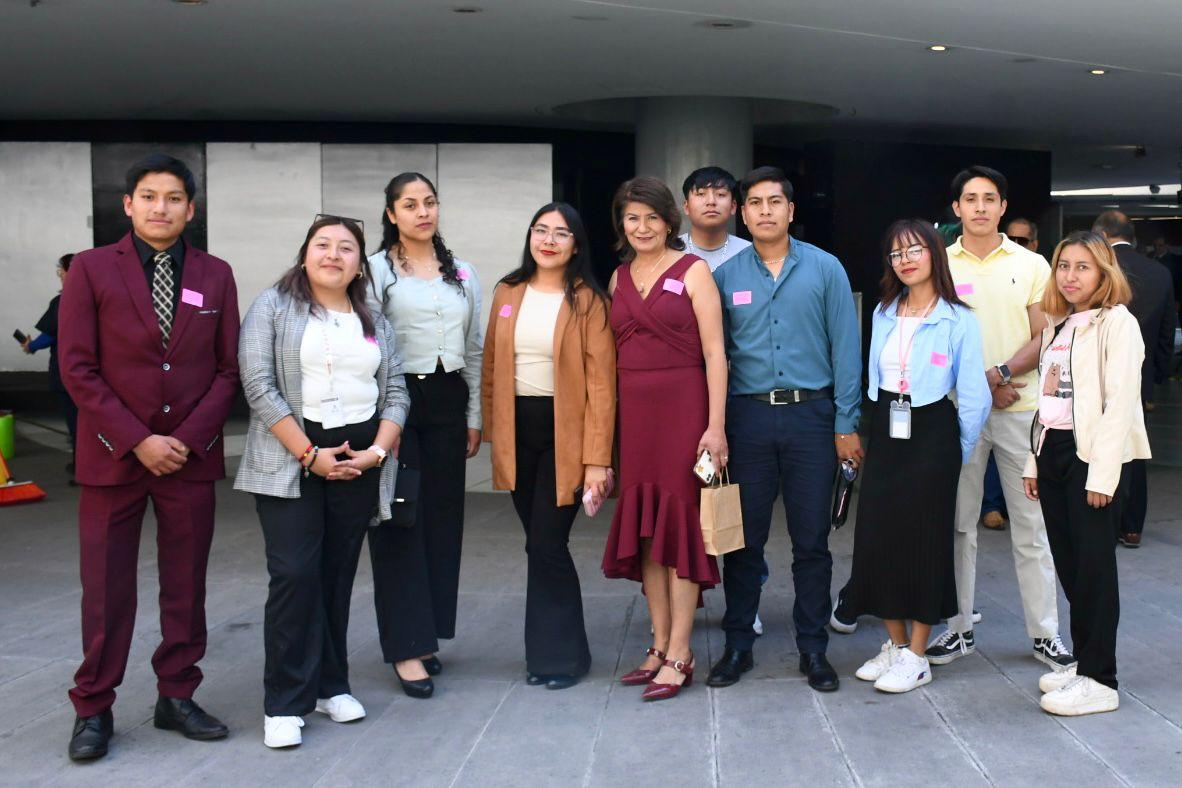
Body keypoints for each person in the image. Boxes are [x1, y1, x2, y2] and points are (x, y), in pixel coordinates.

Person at [59, 154, 240, 761]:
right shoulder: (90, 269)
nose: (161, 207)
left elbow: (228, 368)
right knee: (105, 588)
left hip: (189, 458)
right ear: (128, 204)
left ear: (191, 209)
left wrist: (184, 439)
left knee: (185, 585)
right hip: (113, 456)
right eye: (149, 196)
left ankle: (177, 695)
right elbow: (77, 368)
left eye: (173, 198)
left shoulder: (215, 274)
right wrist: (137, 439)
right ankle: (93, 706)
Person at [236, 214, 409, 748]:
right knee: (294, 574)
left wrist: (376, 453)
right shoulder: (273, 305)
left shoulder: (373, 317)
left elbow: (396, 391)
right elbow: (258, 384)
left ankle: (330, 685)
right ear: (305, 253)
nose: (333, 254)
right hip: (292, 456)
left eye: (346, 247)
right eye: (323, 244)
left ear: (360, 263)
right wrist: (309, 454)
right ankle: (285, 702)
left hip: (358, 460)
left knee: (336, 575)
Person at [709, 166, 862, 693]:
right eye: (755, 203)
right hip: (747, 419)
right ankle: (737, 645)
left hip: (811, 418)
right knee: (742, 541)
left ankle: (813, 649)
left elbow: (846, 349)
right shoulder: (725, 277)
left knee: (811, 541)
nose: (765, 211)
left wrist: (846, 423)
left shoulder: (825, 268)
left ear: (791, 210)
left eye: (775, 201)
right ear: (742, 213)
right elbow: (715, 357)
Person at [925, 165, 1074, 671]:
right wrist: (983, 387)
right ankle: (958, 628)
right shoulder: (940, 264)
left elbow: (1046, 334)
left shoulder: (1032, 265)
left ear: (1003, 207)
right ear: (956, 208)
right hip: (958, 414)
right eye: (971, 199)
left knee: (1031, 526)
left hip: (1020, 409)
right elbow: (934, 339)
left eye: (990, 198)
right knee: (959, 524)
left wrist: (1001, 374)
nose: (981, 207)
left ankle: (1046, 635)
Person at [845, 219, 990, 693]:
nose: (905, 260)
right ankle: (896, 642)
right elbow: (876, 376)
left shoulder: (958, 318)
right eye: (896, 253)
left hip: (933, 434)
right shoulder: (885, 311)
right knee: (878, 535)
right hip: (889, 427)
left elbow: (974, 396)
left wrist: (955, 452)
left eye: (914, 250)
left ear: (934, 254)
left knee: (926, 541)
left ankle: (918, 654)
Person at [602, 175, 727, 702]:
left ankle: (681, 651)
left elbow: (716, 353)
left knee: (679, 530)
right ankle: (657, 643)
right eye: (632, 218)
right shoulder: (617, 279)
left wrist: (715, 426)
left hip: (684, 412)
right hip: (635, 420)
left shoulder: (693, 270)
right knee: (648, 532)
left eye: (652, 217)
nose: (642, 227)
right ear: (622, 224)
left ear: (670, 221)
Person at [482, 202, 615, 690]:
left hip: (567, 435)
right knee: (537, 545)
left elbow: (602, 386)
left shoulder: (589, 301)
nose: (549, 240)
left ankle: (563, 657)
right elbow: (491, 364)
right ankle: (548, 656)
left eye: (561, 233)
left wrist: (597, 459)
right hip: (517, 431)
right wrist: (489, 430)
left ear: (576, 245)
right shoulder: (507, 291)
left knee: (547, 543)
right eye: (541, 230)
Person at [363, 172, 482, 694]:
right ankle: (405, 647)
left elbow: (474, 347)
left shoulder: (463, 272)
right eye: (409, 204)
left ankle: (427, 634)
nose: (422, 212)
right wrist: (381, 422)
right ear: (391, 214)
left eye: (429, 202)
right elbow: (366, 344)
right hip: (397, 402)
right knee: (398, 519)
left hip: (449, 400)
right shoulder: (374, 270)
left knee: (441, 520)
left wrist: (474, 416)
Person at [1022, 231, 1149, 716]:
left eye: (1082, 267)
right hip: (1053, 450)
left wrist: (1102, 475)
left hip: (1094, 457)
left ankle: (1101, 679)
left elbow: (1121, 404)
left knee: (1094, 569)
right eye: (1063, 265)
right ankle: (1085, 663)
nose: (1070, 276)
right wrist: (1034, 460)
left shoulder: (1119, 323)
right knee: (1071, 565)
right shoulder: (1059, 324)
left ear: (1103, 272)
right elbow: (1048, 400)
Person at [1092, 211, 1177, 547]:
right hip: (1138, 374)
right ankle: (1131, 525)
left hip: (1094, 370)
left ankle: (1102, 519)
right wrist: (1156, 376)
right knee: (1133, 446)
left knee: (1093, 442)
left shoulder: (1097, 268)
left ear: (1102, 235)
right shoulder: (1160, 272)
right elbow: (1167, 330)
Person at [20, 253, 79, 478]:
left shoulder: (63, 301)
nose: (59, 275)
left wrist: (31, 346)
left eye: (61, 270)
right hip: (94, 371)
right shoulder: (95, 296)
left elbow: (50, 334)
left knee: (76, 423)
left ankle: (82, 468)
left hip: (68, 372)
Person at [678, 166, 752, 272]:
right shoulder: (669, 251)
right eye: (701, 194)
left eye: (720, 194)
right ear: (686, 207)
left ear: (733, 206)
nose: (711, 201)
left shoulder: (749, 253)